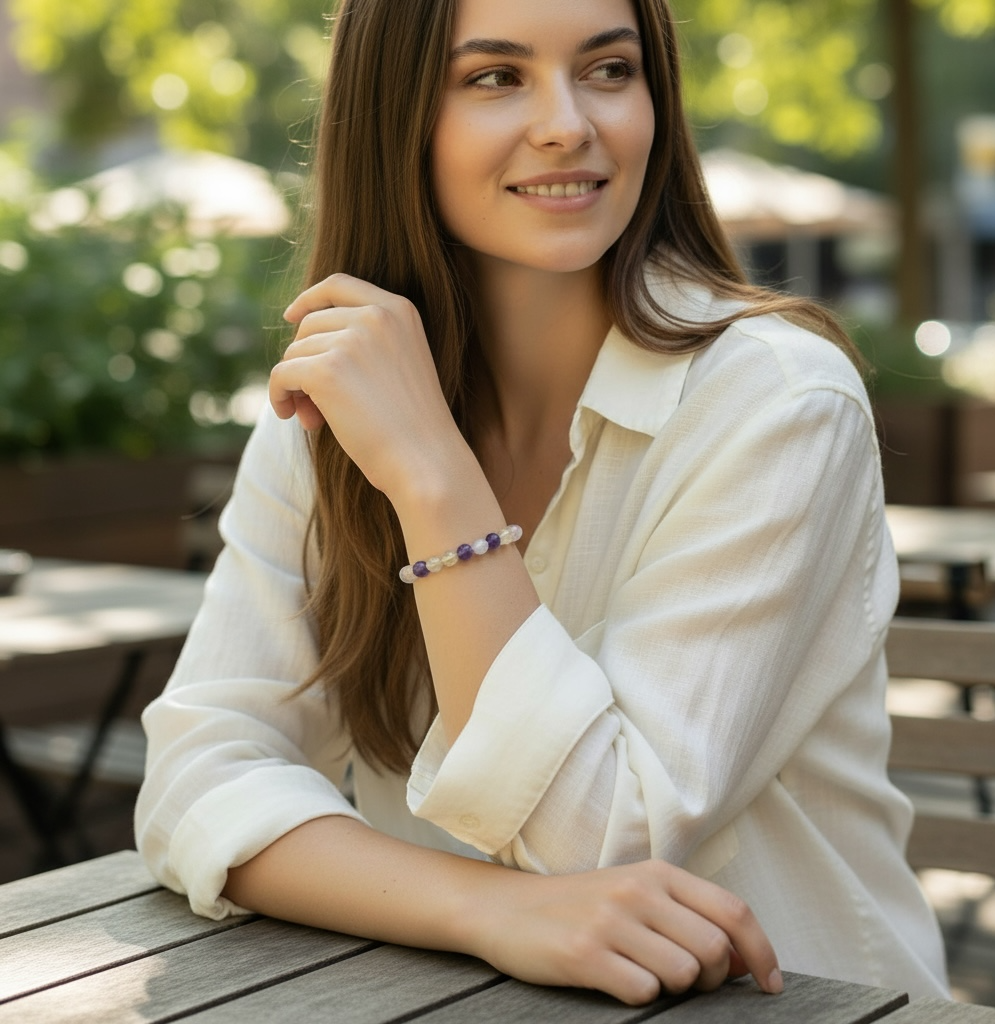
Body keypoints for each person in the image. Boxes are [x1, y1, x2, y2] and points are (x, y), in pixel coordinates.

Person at [135, 0, 949, 1006]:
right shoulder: (342, 396)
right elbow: (195, 773)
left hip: (794, 1000)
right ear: (396, 118)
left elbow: (608, 838)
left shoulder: (776, 399)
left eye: (608, 69)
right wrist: (487, 910)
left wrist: (433, 476)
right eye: (494, 77)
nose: (569, 121)